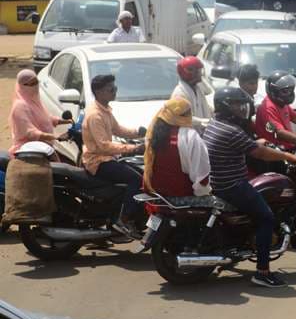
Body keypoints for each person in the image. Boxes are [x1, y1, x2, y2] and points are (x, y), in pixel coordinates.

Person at [203, 86, 296, 288]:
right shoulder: (232, 130)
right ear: (226, 107)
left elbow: (245, 146)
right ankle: (262, 272)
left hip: (218, 182)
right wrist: (288, 156)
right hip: (232, 185)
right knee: (267, 218)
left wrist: (255, 142)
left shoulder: (216, 124)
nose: (241, 109)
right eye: (237, 105)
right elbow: (260, 153)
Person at [82, 74, 145, 236]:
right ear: (99, 91)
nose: (115, 91)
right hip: (98, 161)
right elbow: (104, 146)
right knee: (136, 180)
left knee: (141, 173)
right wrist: (134, 148)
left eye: (115, 88)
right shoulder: (95, 115)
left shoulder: (105, 110)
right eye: (111, 89)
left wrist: (140, 132)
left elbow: (118, 129)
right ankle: (123, 219)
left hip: (108, 158)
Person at [143, 98, 211, 198]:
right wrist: (204, 194)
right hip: (182, 195)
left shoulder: (152, 133)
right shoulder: (190, 136)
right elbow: (201, 175)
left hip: (155, 192)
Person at [8, 69, 71, 156]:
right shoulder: (20, 106)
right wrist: (56, 137)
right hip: (29, 151)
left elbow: (46, 117)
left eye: (36, 82)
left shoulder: (34, 100)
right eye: (32, 84)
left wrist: (66, 121)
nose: (35, 86)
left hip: (44, 148)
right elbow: (30, 133)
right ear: (22, 86)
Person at [255, 71, 296, 149]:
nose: (290, 94)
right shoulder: (267, 108)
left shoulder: (281, 104)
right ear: (274, 91)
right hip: (275, 151)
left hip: (288, 147)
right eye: (285, 91)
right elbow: (280, 133)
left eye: (291, 90)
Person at [171, 57, 213, 133]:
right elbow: (182, 118)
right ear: (188, 72)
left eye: (199, 70)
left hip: (202, 133)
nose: (200, 74)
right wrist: (204, 122)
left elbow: (205, 104)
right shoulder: (179, 93)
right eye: (197, 71)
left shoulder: (197, 88)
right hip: (189, 137)